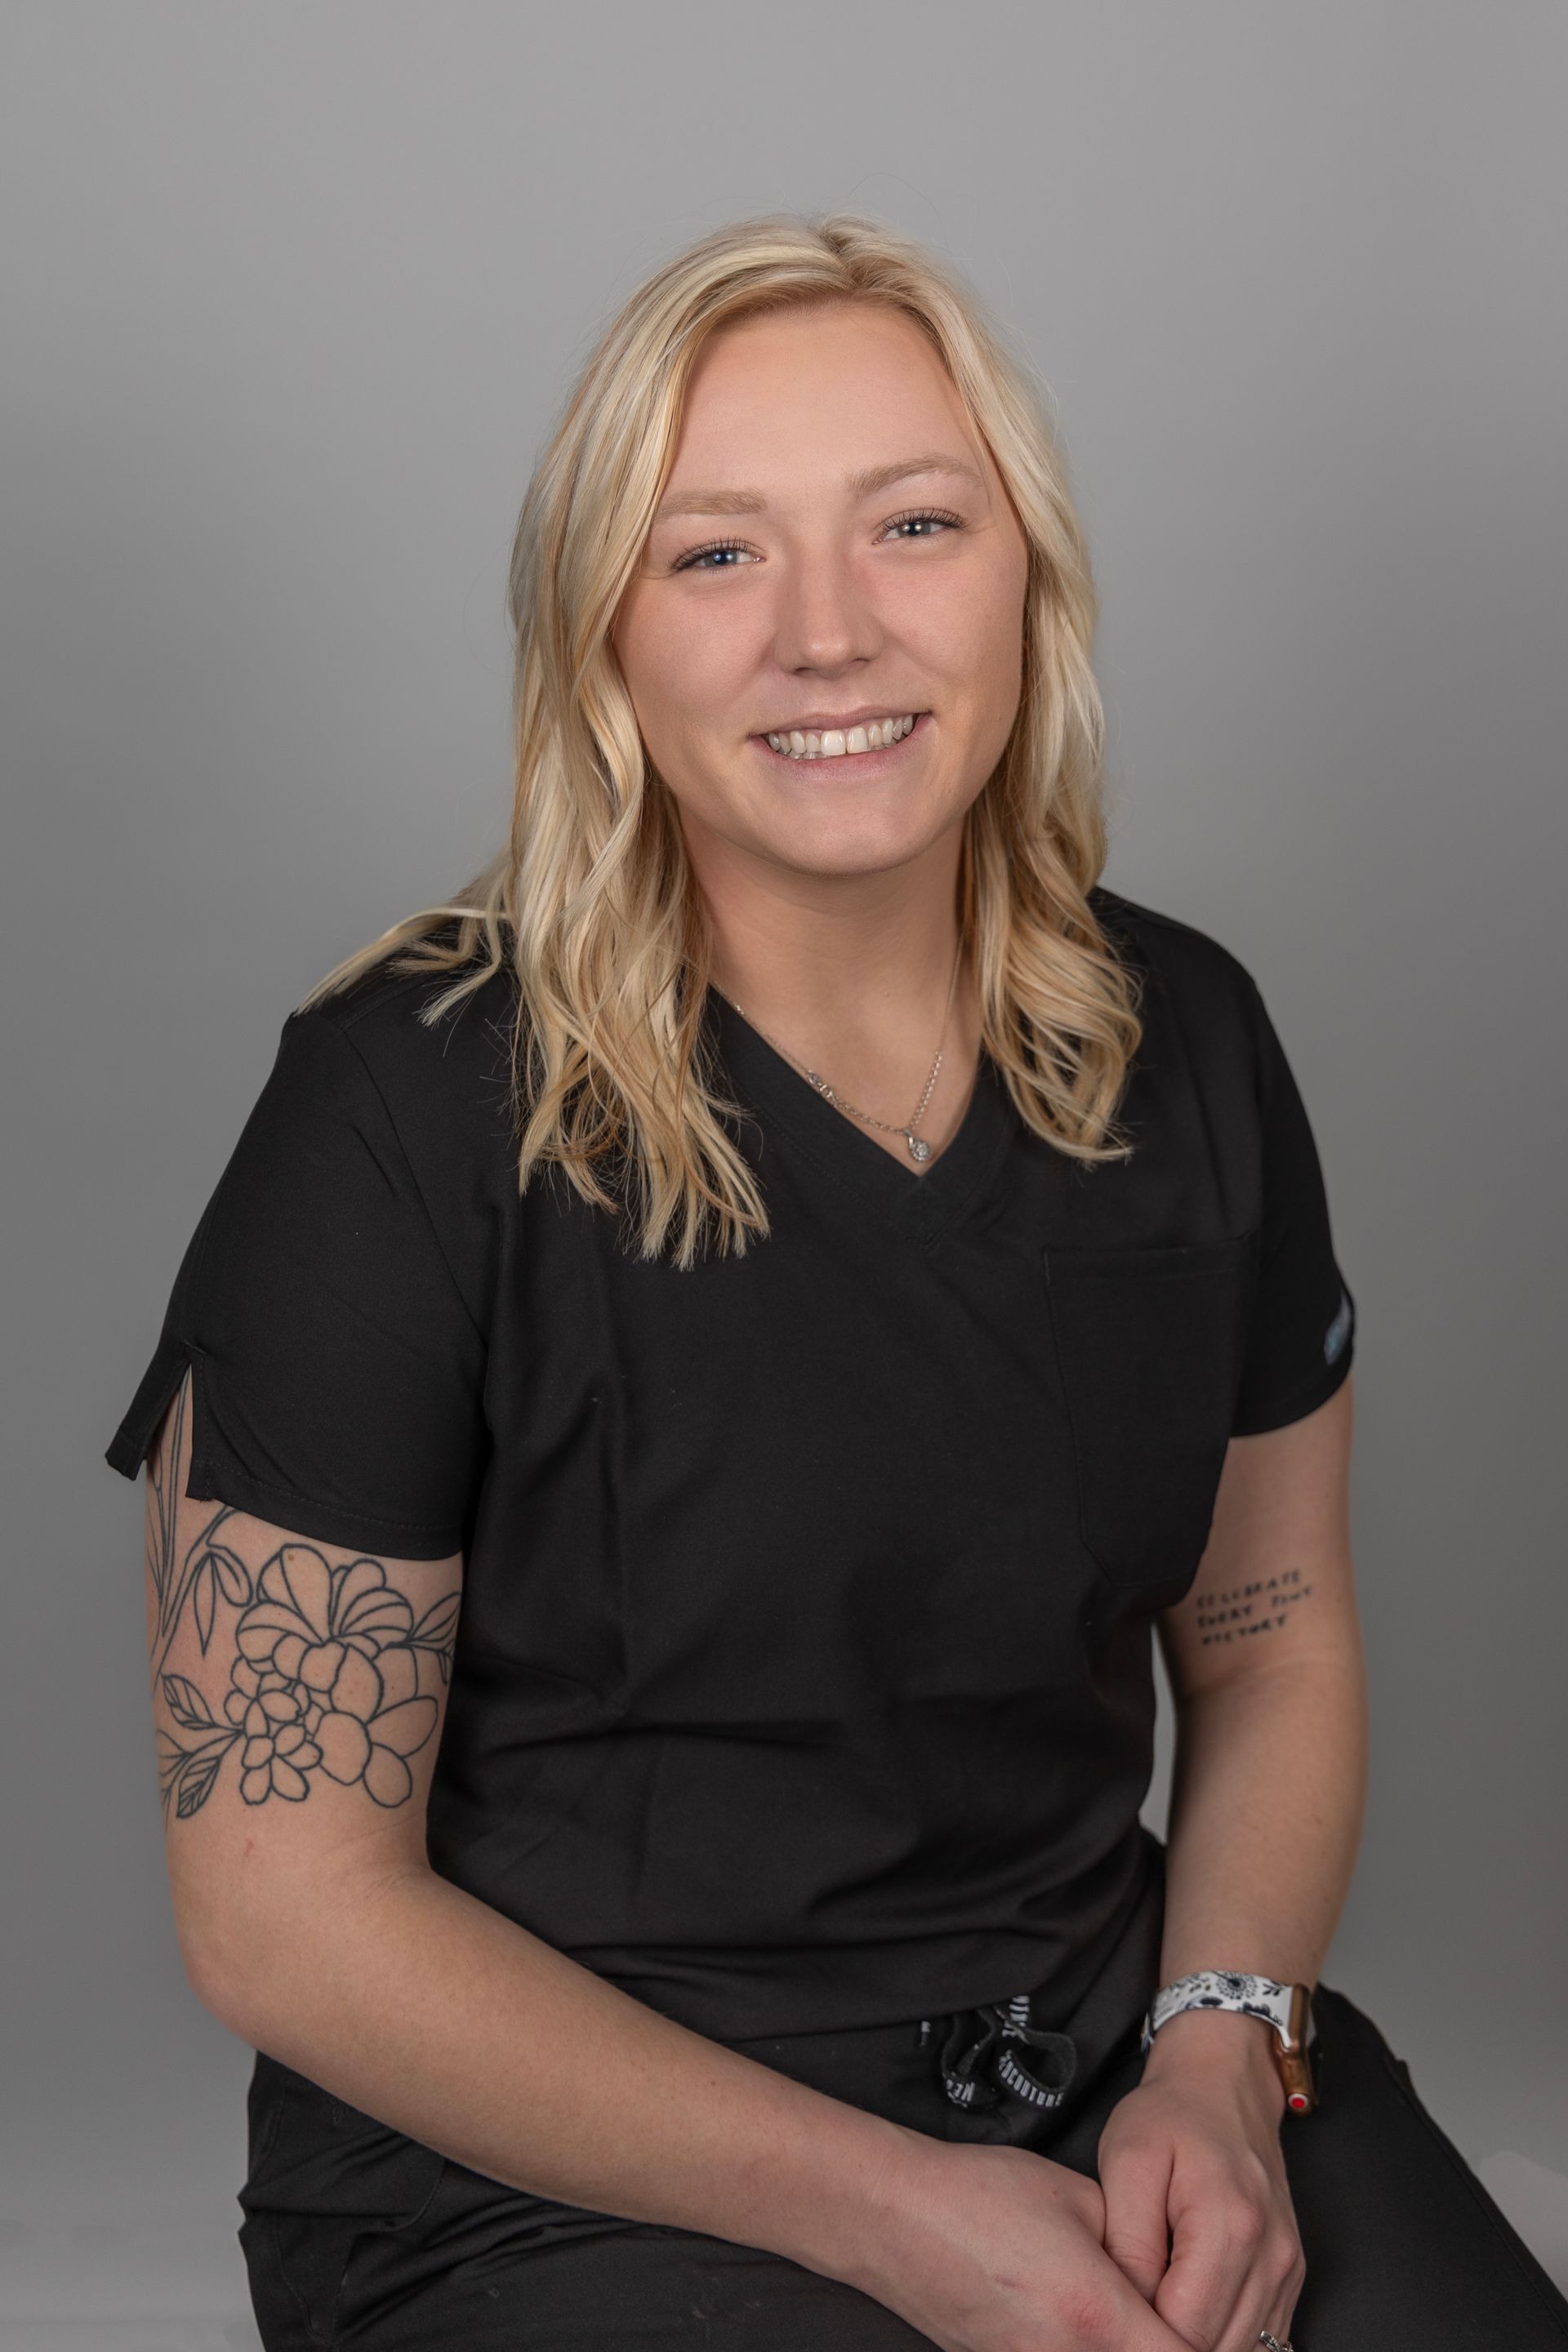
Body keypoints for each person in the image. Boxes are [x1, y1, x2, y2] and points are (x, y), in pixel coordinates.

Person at [108, 212, 1568, 2352]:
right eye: (715, 554)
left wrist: (1218, 2059)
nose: (828, 632)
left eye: (913, 524)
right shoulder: (398, 1108)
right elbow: (285, 1923)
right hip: (552, 2170)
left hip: (1102, 2052)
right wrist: (895, 2217)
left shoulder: (1195, 1044)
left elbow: (1270, 1649)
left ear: (1026, 578)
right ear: (602, 632)